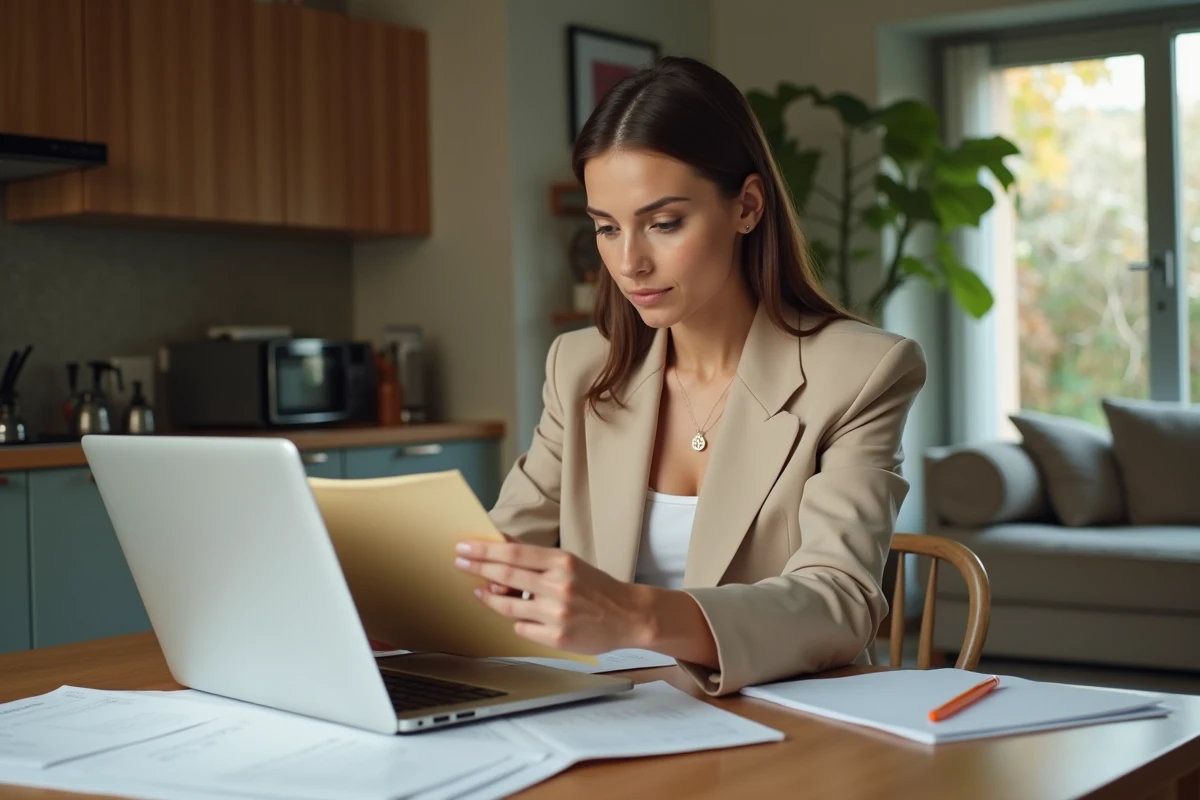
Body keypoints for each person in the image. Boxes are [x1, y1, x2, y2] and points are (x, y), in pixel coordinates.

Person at [454, 55, 927, 696]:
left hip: (781, 719)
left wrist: (633, 614)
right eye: (606, 228)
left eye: (663, 223)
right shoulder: (580, 366)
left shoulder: (861, 373)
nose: (630, 262)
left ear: (747, 206)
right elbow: (498, 553)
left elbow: (839, 602)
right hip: (608, 716)